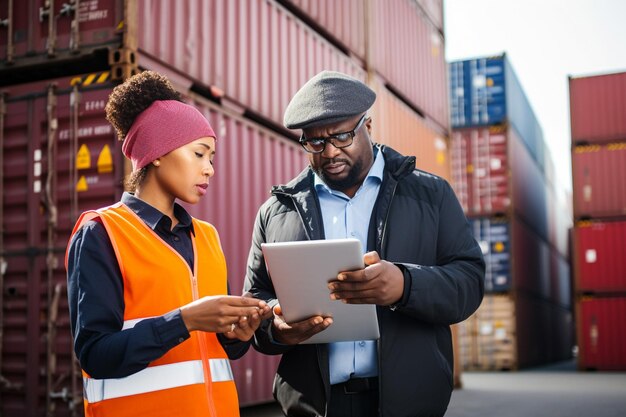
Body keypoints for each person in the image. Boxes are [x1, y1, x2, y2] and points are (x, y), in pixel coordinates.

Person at [243, 70, 485, 417]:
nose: (329, 152)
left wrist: (404, 285)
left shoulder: (432, 195)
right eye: (315, 142)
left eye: (342, 137)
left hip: (410, 403)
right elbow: (256, 300)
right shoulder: (277, 211)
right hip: (315, 407)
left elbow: (470, 282)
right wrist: (277, 329)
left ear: (367, 127)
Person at [66, 71, 270, 417]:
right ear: (156, 152)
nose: (210, 169)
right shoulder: (102, 233)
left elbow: (220, 352)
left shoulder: (207, 236)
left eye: (212, 158)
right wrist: (184, 321)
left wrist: (238, 334)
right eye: (200, 154)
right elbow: (96, 355)